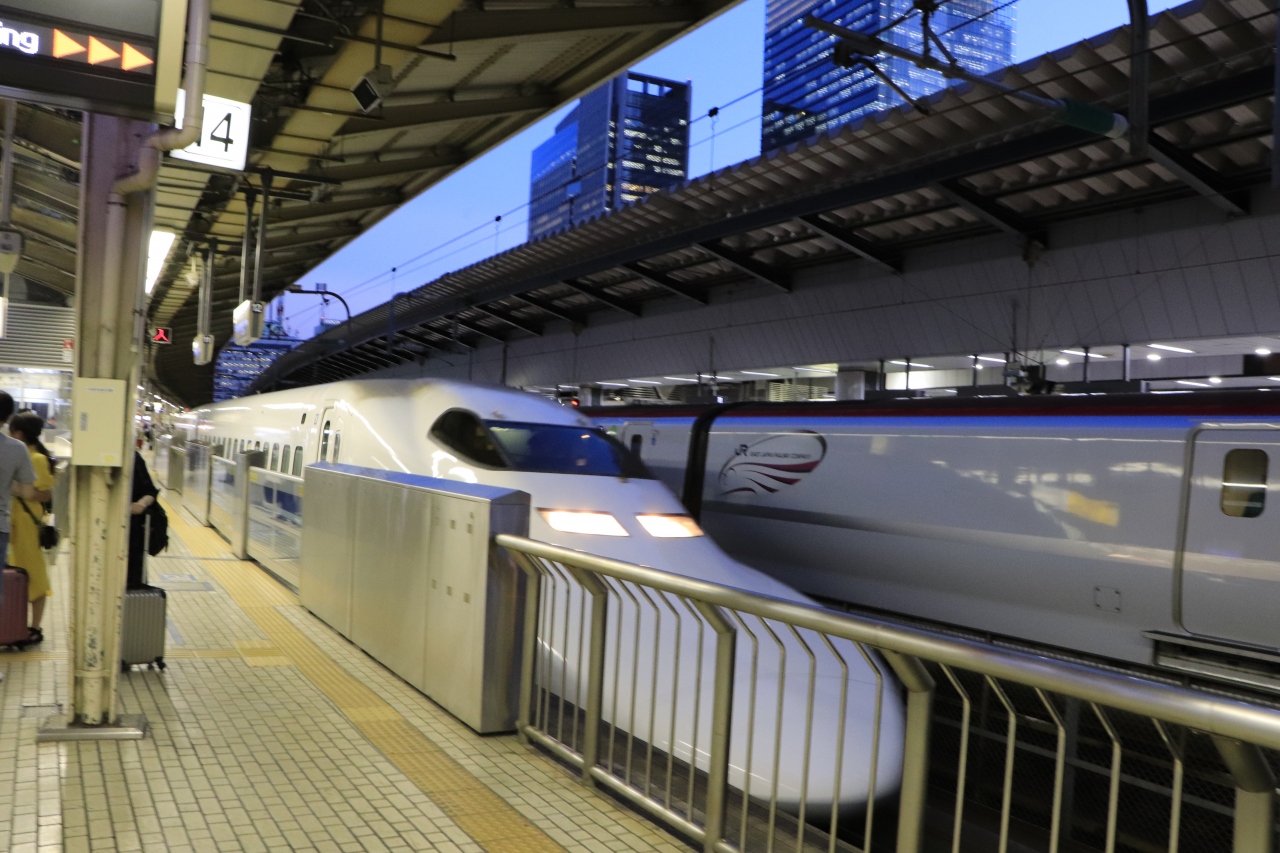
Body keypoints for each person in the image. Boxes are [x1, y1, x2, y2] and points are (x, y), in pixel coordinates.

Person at [8, 410, 55, 643]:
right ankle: (13, 625)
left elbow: (45, 493)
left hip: (26, 523)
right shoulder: (15, 453)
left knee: (33, 574)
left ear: (19, 433)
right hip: (10, 520)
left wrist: (16, 489)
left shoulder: (37, 459)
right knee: (13, 574)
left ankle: (35, 627)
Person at [127, 451, 159, 588]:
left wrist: (141, 504)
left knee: (133, 584)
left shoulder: (133, 458)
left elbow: (150, 491)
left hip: (132, 537)